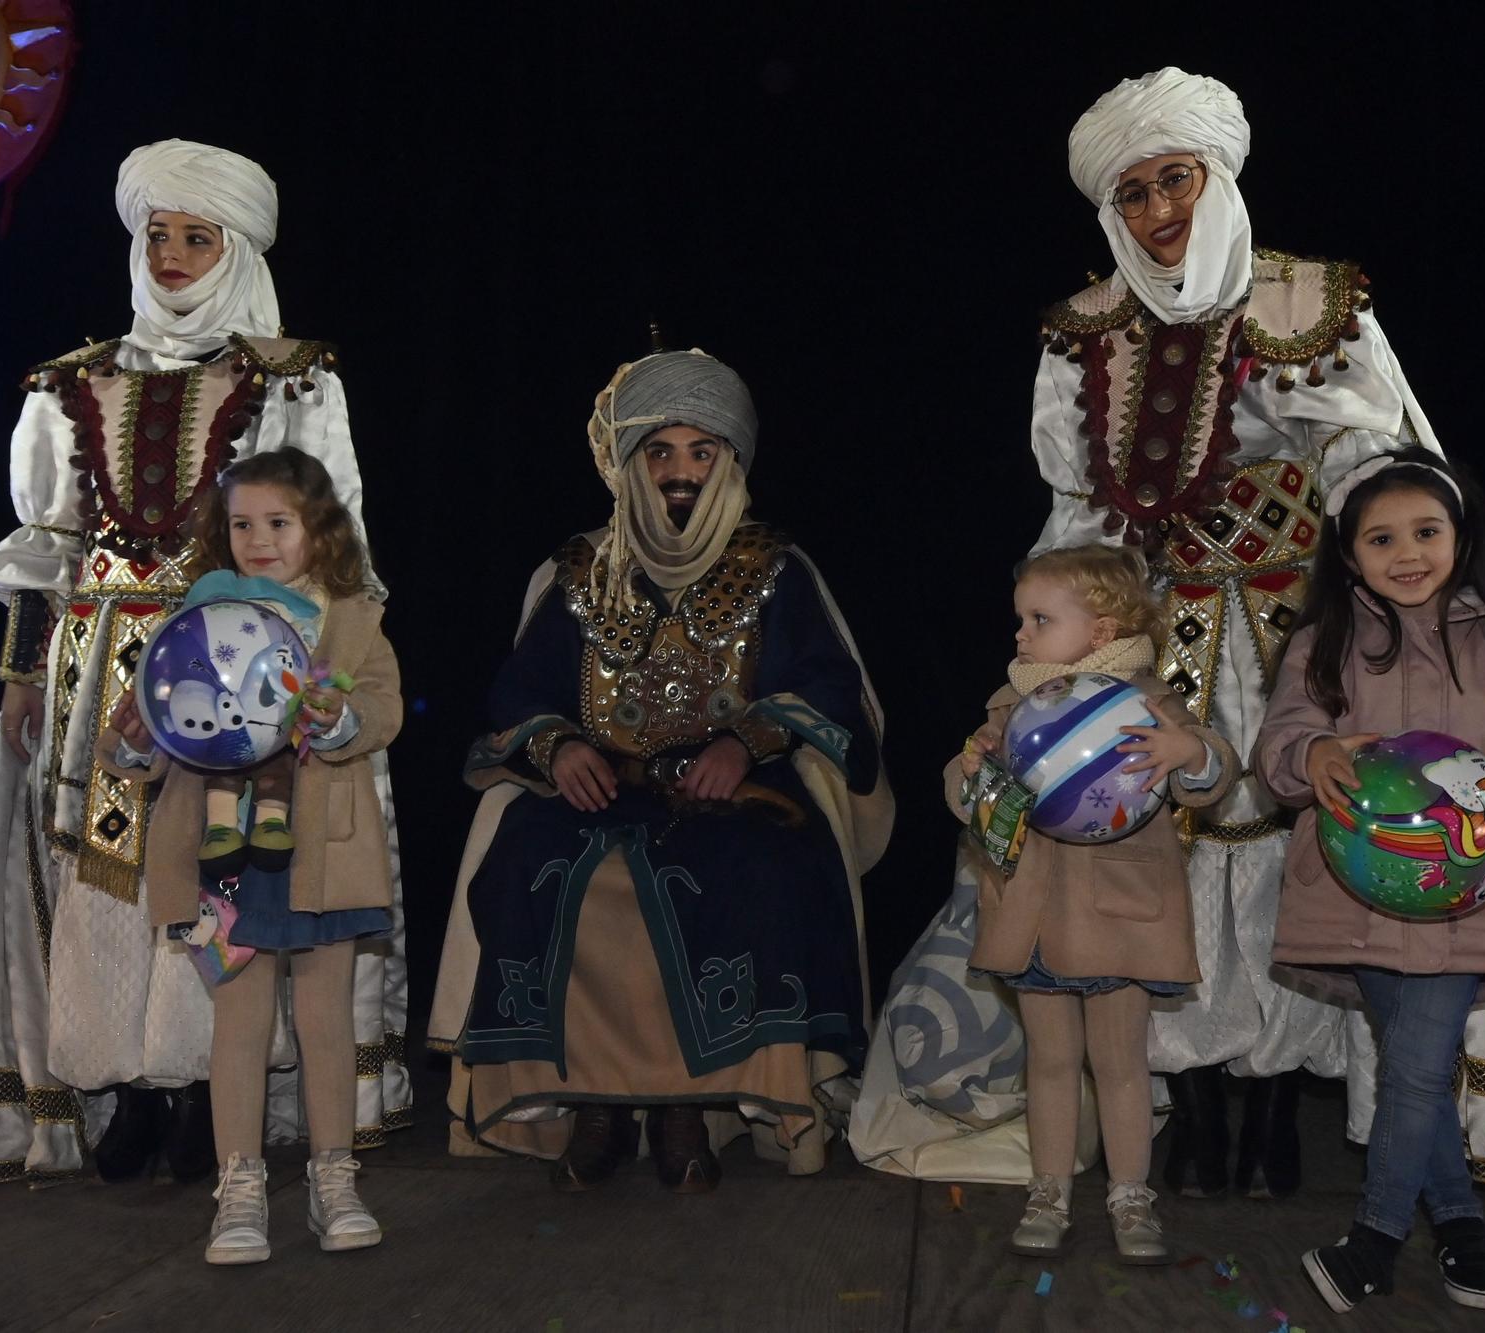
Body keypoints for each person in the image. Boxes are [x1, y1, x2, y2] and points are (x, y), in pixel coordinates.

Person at [0, 139, 410, 1190]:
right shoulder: (68, 384)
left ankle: (200, 1091)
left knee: (210, 873)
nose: (176, 253)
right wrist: (17, 673)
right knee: (102, 877)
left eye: (198, 236)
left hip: (233, 666)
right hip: (95, 667)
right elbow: (43, 546)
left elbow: (330, 543)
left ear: (233, 250)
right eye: (160, 235)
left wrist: (315, 679)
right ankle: (127, 1092)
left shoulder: (292, 381)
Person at [1026, 66, 1444, 1198]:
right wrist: (1058, 647)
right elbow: (1077, 512)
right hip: (1149, 639)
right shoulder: (1082, 333)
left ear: (1216, 178)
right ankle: (1192, 1101)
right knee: (1154, 865)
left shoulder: (1307, 301)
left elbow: (1372, 462)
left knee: (1286, 863)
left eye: (1174, 181)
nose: (1158, 213)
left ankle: (1271, 1109)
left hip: (1294, 633)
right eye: (1132, 197)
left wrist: (1401, 595)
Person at [427, 349, 893, 1192]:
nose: (680, 473)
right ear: (632, 463)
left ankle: (690, 1108)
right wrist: (559, 748)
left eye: (700, 451)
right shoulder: (577, 572)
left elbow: (829, 687)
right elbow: (516, 695)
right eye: (661, 452)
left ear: (732, 459)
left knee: (758, 868)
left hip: (736, 794)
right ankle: (593, 1106)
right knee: (533, 862)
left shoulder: (777, 568)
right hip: (602, 788)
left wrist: (745, 741)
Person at [1254, 450, 1485, 1312]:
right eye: (1381, 538)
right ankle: (1461, 1222)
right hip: (1359, 894)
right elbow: (1279, 752)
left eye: (1425, 531)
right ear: (1348, 554)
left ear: (1461, 537)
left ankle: (1375, 1236)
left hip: (1469, 897)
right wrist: (1313, 753)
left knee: (1416, 1068)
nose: (1406, 552)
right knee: (1410, 1062)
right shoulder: (1323, 643)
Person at [102, 448, 399, 1264]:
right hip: (223, 858)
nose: (259, 540)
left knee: (324, 1021)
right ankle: (240, 1188)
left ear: (320, 529)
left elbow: (382, 710)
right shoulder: (193, 619)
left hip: (324, 854)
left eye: (279, 523)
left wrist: (338, 720)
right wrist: (130, 743)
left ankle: (333, 1177)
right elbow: (153, 733)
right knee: (238, 1023)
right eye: (242, 525)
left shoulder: (352, 616)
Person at [950, 546, 1237, 1262]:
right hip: (1035, 918)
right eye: (1021, 619)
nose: (1020, 633)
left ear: (1101, 630)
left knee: (1121, 1063)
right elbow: (969, 804)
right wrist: (968, 774)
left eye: (1039, 618)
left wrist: (1188, 753)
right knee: (1049, 1061)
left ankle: (1131, 1194)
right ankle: (1048, 1189)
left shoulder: (1148, 703)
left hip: (1121, 917)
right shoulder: (1009, 708)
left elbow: (1213, 771)